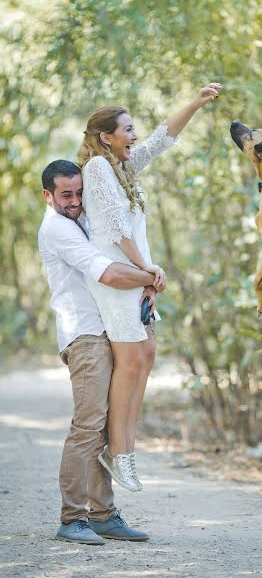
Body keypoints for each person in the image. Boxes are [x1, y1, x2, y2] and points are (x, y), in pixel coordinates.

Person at [78, 82, 222, 492]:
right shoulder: (97, 169)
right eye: (127, 129)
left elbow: (163, 139)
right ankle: (120, 453)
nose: (134, 135)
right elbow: (118, 228)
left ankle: (123, 449)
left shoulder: (123, 167)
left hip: (138, 277)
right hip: (118, 276)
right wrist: (149, 271)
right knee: (130, 363)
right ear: (106, 136)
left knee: (147, 355)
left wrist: (194, 102)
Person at [38, 159, 163, 544]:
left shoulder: (82, 217)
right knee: (88, 425)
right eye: (66, 195)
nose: (76, 201)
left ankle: (104, 514)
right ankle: (72, 517)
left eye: (79, 193)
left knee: (107, 423)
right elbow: (107, 272)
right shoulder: (57, 229)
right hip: (85, 335)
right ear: (48, 195)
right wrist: (152, 277)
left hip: (109, 328)